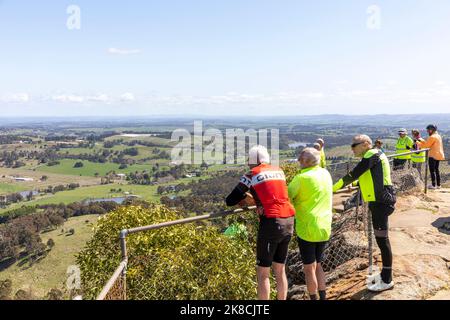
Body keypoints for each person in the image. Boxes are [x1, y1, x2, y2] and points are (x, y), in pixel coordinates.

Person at [225, 145, 295, 300]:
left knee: (263, 272)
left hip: (271, 223)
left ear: (252, 161)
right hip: (289, 220)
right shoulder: (278, 171)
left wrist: (244, 199)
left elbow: (230, 200)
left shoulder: (252, 174)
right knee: (280, 269)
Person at [333, 135, 396, 292]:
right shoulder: (375, 154)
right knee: (381, 240)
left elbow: (354, 174)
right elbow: (366, 176)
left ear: (366, 144)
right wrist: (354, 184)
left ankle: (387, 280)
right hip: (380, 201)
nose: (352, 148)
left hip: (380, 202)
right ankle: (384, 275)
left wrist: (331, 189)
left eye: (354, 145)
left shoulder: (371, 155)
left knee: (383, 241)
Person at [288, 148, 333, 300]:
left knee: (309, 267)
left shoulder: (301, 178)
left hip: (307, 228)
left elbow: (287, 197)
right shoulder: (325, 173)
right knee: (318, 264)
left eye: (300, 159)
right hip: (324, 226)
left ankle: (313, 297)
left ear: (304, 162)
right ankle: (323, 296)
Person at [417, 125, 445, 189]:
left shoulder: (432, 137)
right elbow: (428, 143)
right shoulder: (438, 136)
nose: (427, 131)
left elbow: (426, 146)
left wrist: (417, 142)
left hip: (433, 155)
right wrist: (421, 140)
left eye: (428, 130)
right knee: (436, 170)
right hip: (438, 155)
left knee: (432, 171)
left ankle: (433, 185)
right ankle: (438, 185)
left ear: (432, 130)